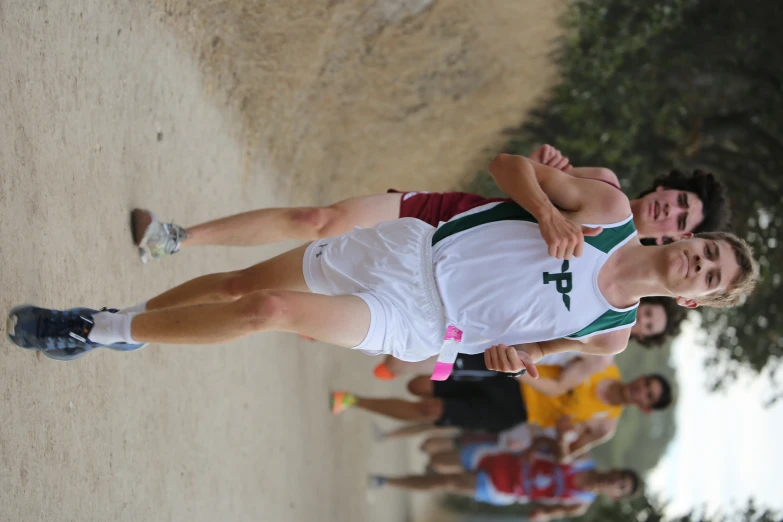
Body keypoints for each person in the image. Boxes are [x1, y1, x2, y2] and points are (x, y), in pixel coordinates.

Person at [8, 153, 755, 371]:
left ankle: (95, 329)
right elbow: (504, 164)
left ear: (694, 302)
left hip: (419, 318)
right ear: (685, 241)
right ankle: (135, 320)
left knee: (266, 314)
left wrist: (507, 361)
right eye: (708, 252)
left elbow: (528, 354)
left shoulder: (612, 336)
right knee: (241, 286)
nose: (702, 264)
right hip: (411, 248)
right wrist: (549, 211)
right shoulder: (608, 213)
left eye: (713, 278)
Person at [131, 144, 730, 262]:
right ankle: (176, 238)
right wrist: (547, 197)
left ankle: (146, 324)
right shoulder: (606, 185)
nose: (670, 212)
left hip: (435, 294)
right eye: (677, 200)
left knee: (280, 295)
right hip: (447, 217)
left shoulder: (618, 293)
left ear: (675, 239)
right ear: (664, 186)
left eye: (681, 221)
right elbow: (513, 171)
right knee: (320, 221)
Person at [331, 365, 672, 459]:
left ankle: (352, 400)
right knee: (418, 385)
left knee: (428, 408)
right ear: (641, 378)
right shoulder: (603, 365)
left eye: (648, 396)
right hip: (510, 377)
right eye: (647, 384)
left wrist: (564, 437)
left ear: (643, 408)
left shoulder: (605, 425)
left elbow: (564, 456)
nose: (642, 389)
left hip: (511, 413)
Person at [372, 294, 688, 381]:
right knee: (425, 322)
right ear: (645, 302)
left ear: (644, 338)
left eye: (648, 327)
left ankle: (383, 360)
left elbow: (562, 380)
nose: (641, 322)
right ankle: (368, 328)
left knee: (424, 360)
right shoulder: (603, 296)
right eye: (647, 314)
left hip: (507, 353)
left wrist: (524, 368)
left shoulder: (605, 355)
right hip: (502, 313)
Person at [369, 436, 640, 518]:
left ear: (615, 495)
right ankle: (429, 463)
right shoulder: (582, 459)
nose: (614, 483)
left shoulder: (579, 503)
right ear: (615, 470)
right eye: (620, 478)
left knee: (446, 482)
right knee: (437, 461)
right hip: (500, 459)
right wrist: (533, 449)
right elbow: (545, 439)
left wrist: (541, 516)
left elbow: (548, 512)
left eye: (620, 488)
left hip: (503, 487)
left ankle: (386, 481)